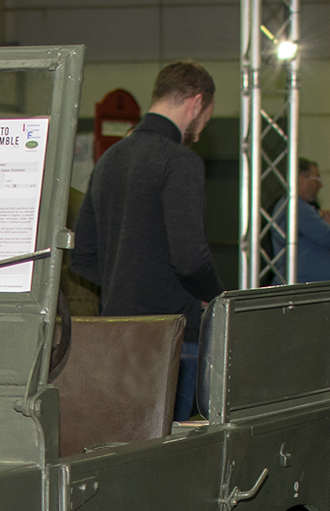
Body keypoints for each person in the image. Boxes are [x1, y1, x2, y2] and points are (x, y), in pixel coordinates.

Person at [72, 60, 223, 420]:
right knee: (171, 453)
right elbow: (190, 258)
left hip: (114, 337)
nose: (200, 133)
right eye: (205, 121)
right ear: (196, 103)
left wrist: (124, 284)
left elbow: (81, 256)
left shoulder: (109, 159)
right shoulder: (180, 162)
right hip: (170, 338)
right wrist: (215, 297)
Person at [267, 158, 330, 285]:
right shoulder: (296, 208)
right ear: (301, 180)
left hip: (304, 287)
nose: (320, 185)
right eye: (316, 179)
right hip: (300, 288)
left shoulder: (298, 207)